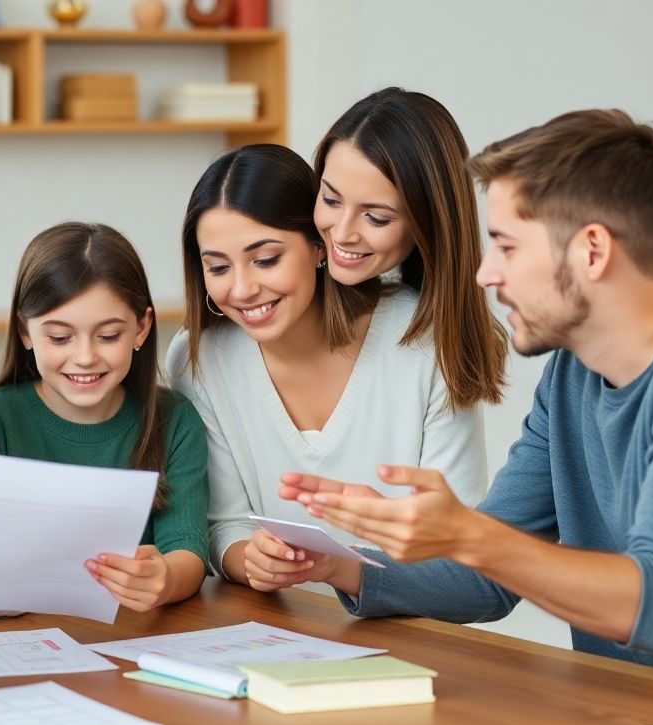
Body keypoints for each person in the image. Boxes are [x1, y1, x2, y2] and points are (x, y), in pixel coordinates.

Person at [282, 109, 653, 694]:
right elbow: (487, 582)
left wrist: (466, 533)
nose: (486, 274)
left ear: (592, 251)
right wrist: (339, 562)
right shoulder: (573, 372)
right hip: (634, 720)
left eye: (507, 247)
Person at [165, 88, 506, 593]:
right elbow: (221, 526)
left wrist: (343, 566)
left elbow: (460, 552)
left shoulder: (424, 342)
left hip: (411, 632)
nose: (340, 233)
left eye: (377, 217)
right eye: (329, 199)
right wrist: (247, 558)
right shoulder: (199, 357)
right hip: (276, 632)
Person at [0, 222, 209, 612]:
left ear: (141, 328)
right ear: (25, 331)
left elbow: (187, 552)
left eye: (108, 336)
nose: (85, 357)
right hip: (20, 636)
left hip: (131, 638)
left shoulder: (173, 420)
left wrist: (164, 579)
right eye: (59, 338)